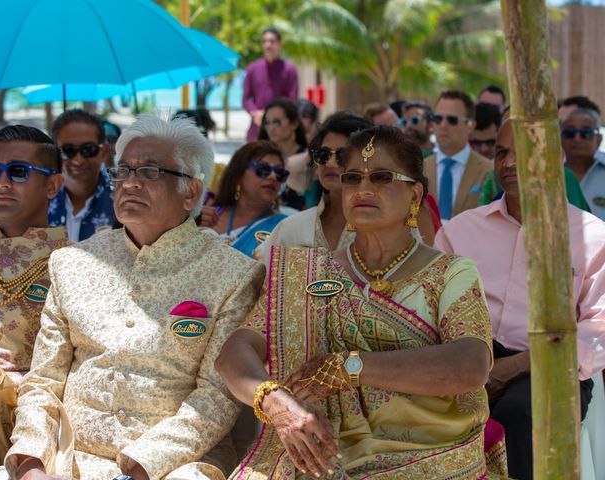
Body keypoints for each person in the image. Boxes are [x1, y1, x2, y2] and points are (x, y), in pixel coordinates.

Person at [217, 125, 507, 480]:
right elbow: (236, 350)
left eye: (382, 177)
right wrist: (272, 399)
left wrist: (348, 368)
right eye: (352, 178)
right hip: (320, 453)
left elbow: (470, 364)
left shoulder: (449, 272)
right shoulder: (308, 273)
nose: (363, 189)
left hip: (429, 457)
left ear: (414, 194)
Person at [4, 114, 265, 480]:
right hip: (68, 457)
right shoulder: (72, 262)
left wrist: (140, 469)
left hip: (178, 465)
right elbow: (43, 382)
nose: (130, 183)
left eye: (150, 173)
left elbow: (216, 397)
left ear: (191, 191)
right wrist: (32, 464)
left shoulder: (234, 274)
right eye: (122, 171)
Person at [434, 117, 605, 480]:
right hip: (467, 356)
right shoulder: (460, 231)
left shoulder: (592, 236)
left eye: (523, 153)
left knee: (519, 415)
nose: (509, 163)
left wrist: (521, 363)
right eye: (501, 153)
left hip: (554, 366)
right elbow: (432, 309)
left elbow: (597, 330)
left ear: (556, 158)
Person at [0, 125, 66, 479]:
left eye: (18, 172)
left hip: (17, 407)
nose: (2, 182)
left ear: (52, 185)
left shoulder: (74, 262)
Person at [257, 112, 373, 257]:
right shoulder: (293, 227)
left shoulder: (388, 228)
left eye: (342, 156)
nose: (330, 163)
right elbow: (258, 274)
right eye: (323, 155)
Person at [200, 141, 289, 257]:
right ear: (238, 174)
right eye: (263, 169)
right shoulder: (205, 216)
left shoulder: (284, 228)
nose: (273, 177)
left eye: (280, 173)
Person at [48, 109, 115, 241]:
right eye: (68, 150)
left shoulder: (121, 201)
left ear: (103, 151)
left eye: (88, 149)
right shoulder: (39, 200)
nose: (78, 160)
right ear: (54, 153)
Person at [424, 90, 493, 220]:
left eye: (452, 120)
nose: (443, 125)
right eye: (438, 119)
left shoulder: (489, 170)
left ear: (470, 126)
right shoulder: (419, 170)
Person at [243, 28, 298, 142]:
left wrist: (272, 115)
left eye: (272, 41)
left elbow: (292, 98)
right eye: (264, 41)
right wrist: (256, 113)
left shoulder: (289, 69)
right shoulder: (252, 68)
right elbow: (245, 99)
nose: (268, 45)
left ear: (280, 44)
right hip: (257, 129)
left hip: (281, 130)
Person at [561, 108, 605, 220]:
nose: (577, 139)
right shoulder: (546, 174)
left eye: (586, 133)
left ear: (599, 139)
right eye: (570, 133)